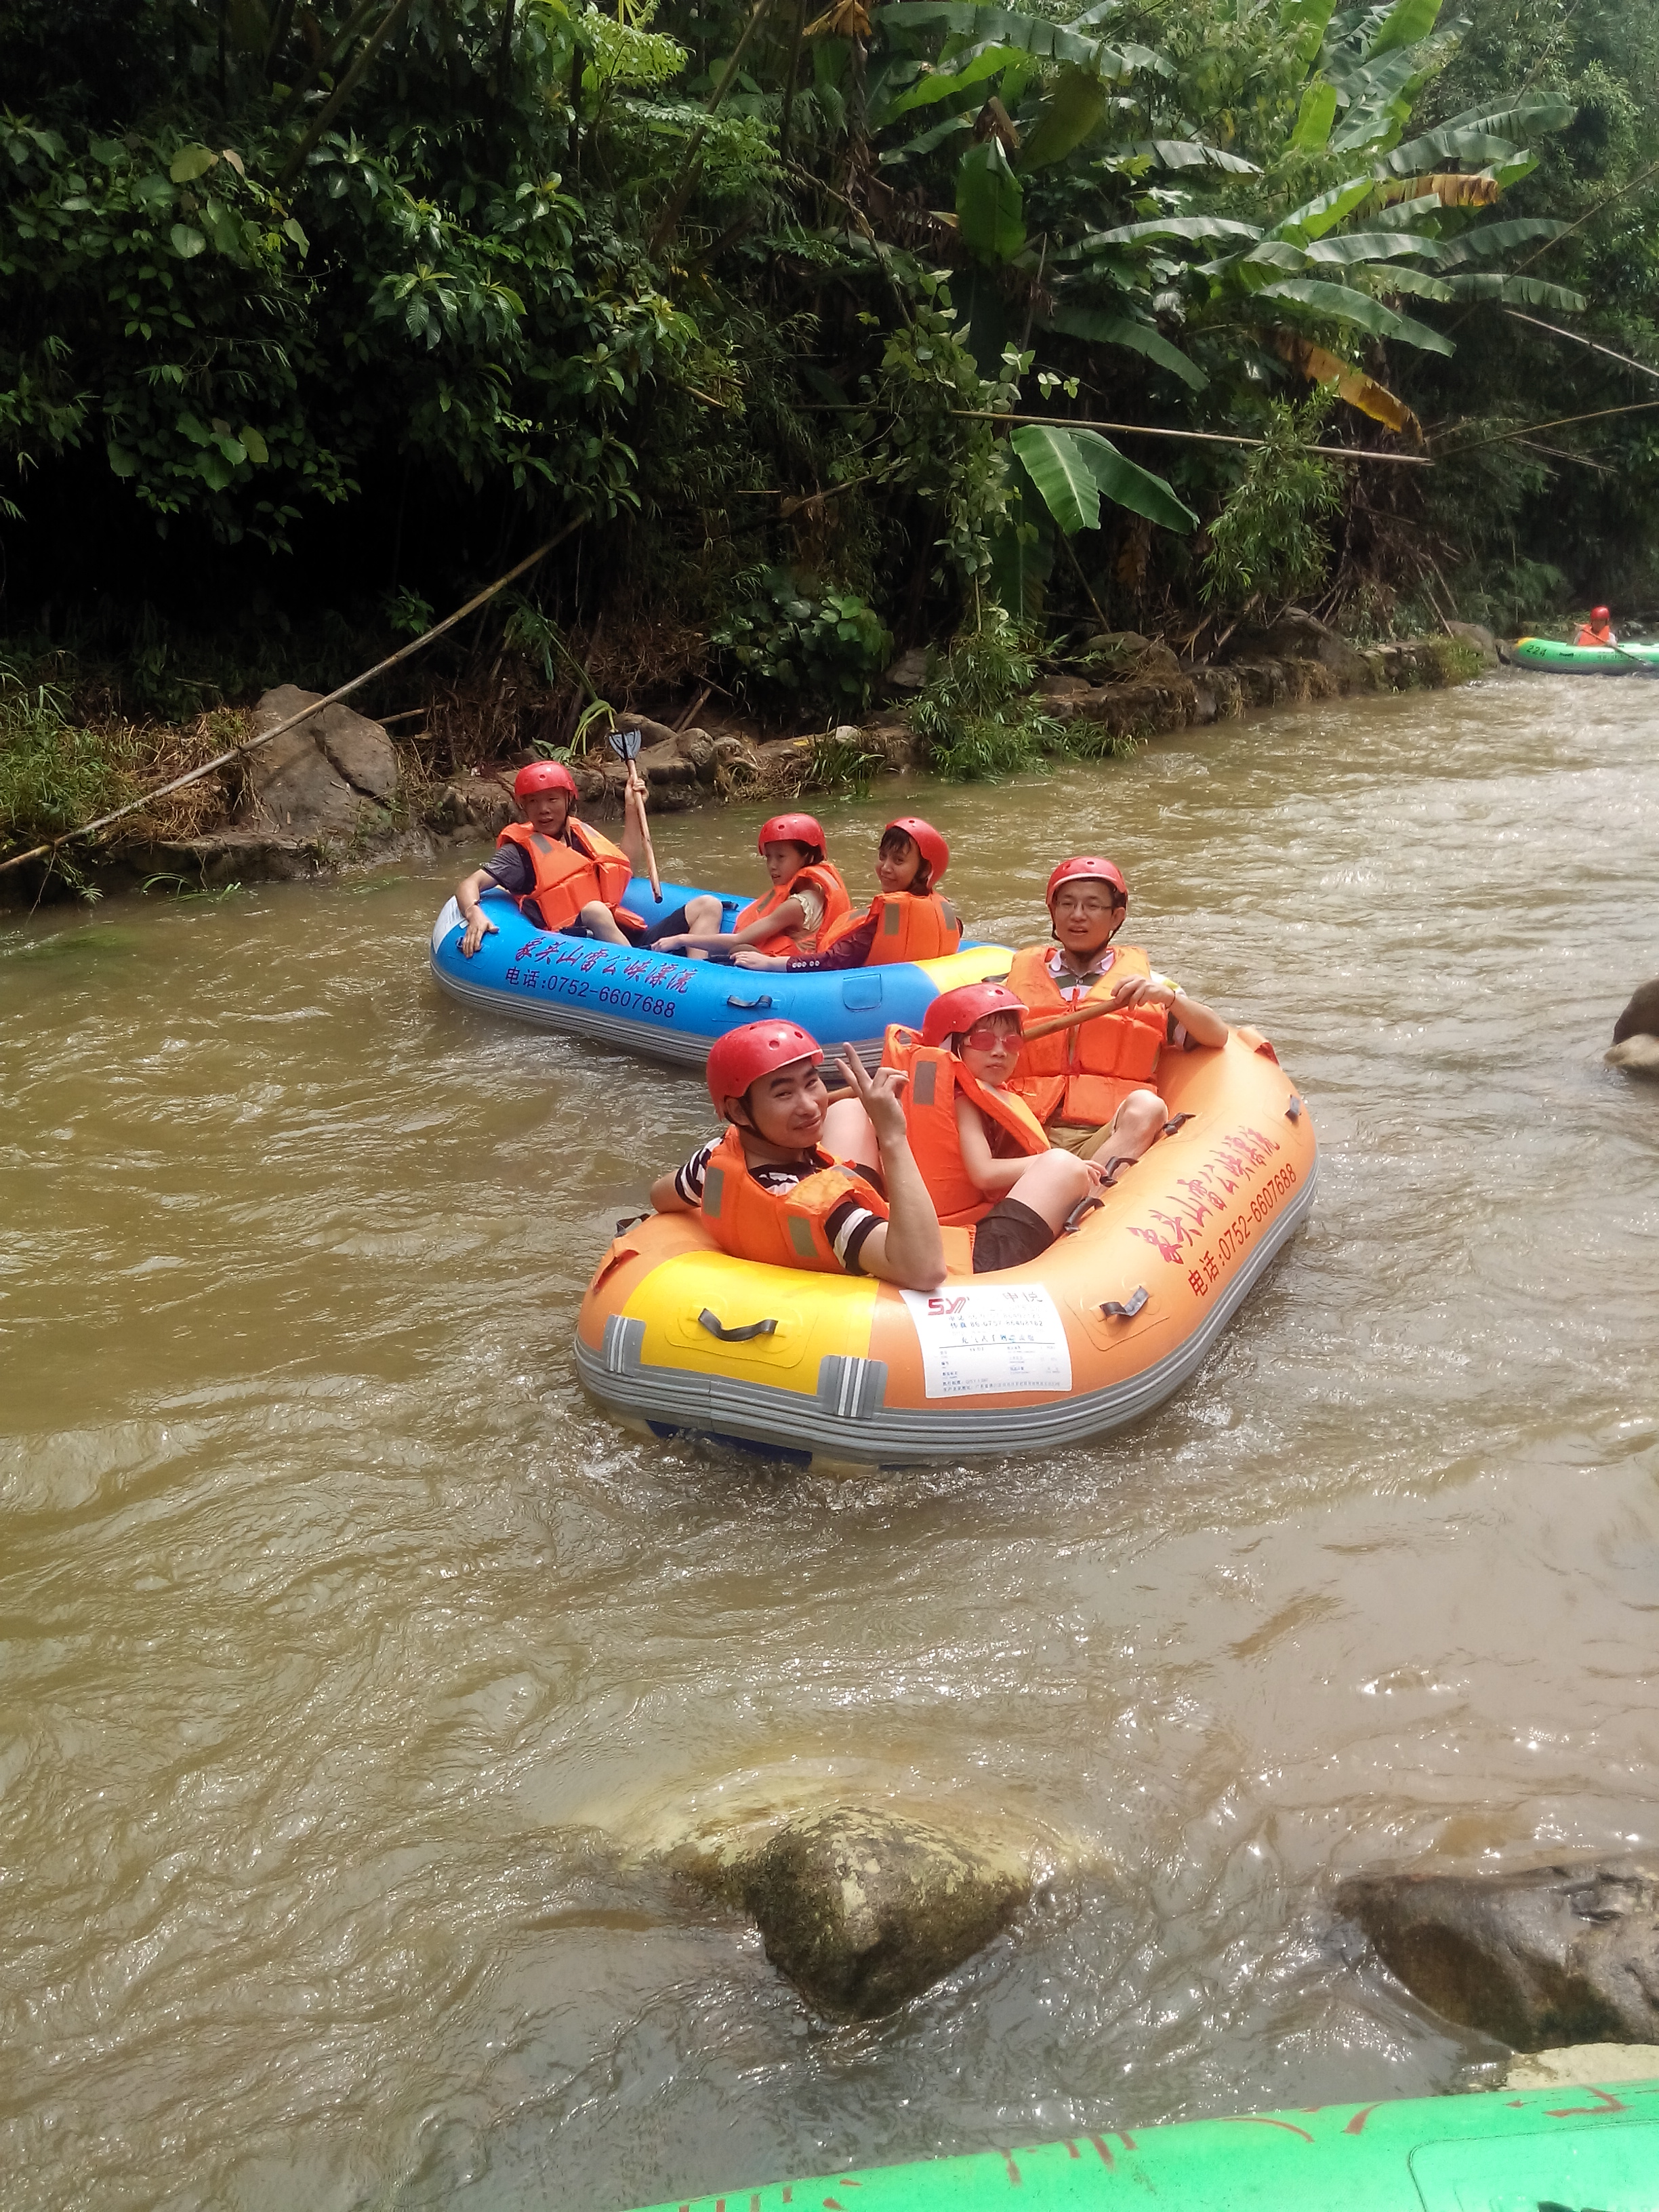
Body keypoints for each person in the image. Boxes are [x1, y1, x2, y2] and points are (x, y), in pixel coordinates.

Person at [649, 1020, 946, 1290]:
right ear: (739, 1111)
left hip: (796, 1195)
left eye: (811, 1082)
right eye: (784, 1094)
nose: (810, 1106)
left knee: (849, 1108)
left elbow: (660, 1196)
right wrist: (892, 1137)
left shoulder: (712, 1159)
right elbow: (925, 1271)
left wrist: (852, 1097)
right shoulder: (831, 1214)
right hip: (834, 1233)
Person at [1004, 857, 1228, 1174]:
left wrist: (1172, 1000)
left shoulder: (1151, 987)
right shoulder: (1009, 985)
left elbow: (1217, 1036)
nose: (1077, 915)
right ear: (1053, 912)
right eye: (1066, 904)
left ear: (1116, 917)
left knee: (1147, 1108)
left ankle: (1085, 1196)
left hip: (1101, 1134)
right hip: (1025, 1128)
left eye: (1092, 906)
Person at [870, 981, 1101, 1270]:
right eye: (983, 1040)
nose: (1000, 1051)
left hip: (958, 1225)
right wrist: (1051, 1162)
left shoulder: (973, 1093)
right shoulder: (962, 1101)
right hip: (969, 1237)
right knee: (1062, 1164)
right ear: (949, 1046)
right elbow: (984, 1173)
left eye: (1012, 1042)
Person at [455, 760, 699, 957]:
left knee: (706, 906)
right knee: (595, 910)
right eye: (534, 802)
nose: (544, 810)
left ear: (568, 801)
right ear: (524, 808)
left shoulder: (579, 835)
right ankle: (643, 972)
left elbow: (623, 868)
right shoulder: (517, 854)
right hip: (574, 944)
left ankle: (700, 975)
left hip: (618, 931)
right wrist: (474, 913)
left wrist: (632, 807)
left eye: (552, 799)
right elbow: (469, 884)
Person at [733, 816, 962, 972]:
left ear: (924, 870)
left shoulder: (877, 927)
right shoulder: (949, 918)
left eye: (898, 861)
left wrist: (768, 964)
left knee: (740, 952)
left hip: (824, 976)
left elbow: (833, 960)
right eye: (883, 857)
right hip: (905, 985)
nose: (885, 867)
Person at [653, 813, 851, 961]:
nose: (772, 865)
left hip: (789, 974)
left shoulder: (797, 906)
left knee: (740, 950)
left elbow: (738, 940)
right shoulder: (817, 890)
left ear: (807, 857)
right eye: (768, 857)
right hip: (799, 961)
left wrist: (680, 939)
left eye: (781, 857)